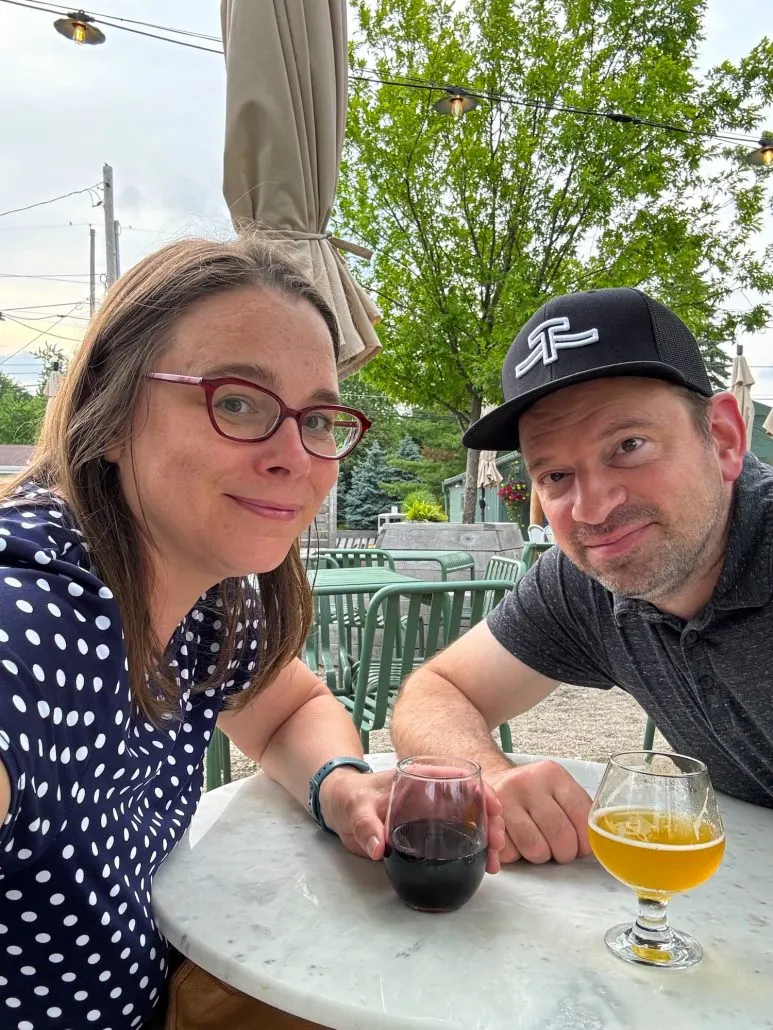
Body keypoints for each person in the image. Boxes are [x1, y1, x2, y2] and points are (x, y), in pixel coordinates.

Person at [0, 236, 402, 1029]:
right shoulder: (27, 624)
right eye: (238, 402)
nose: (295, 456)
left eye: (317, 417)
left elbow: (288, 709)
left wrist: (341, 785)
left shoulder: (209, 604)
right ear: (107, 418)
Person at [392, 285, 773, 868]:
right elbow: (435, 693)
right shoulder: (583, 584)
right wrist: (490, 775)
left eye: (629, 445)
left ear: (722, 439)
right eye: (556, 475)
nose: (591, 508)